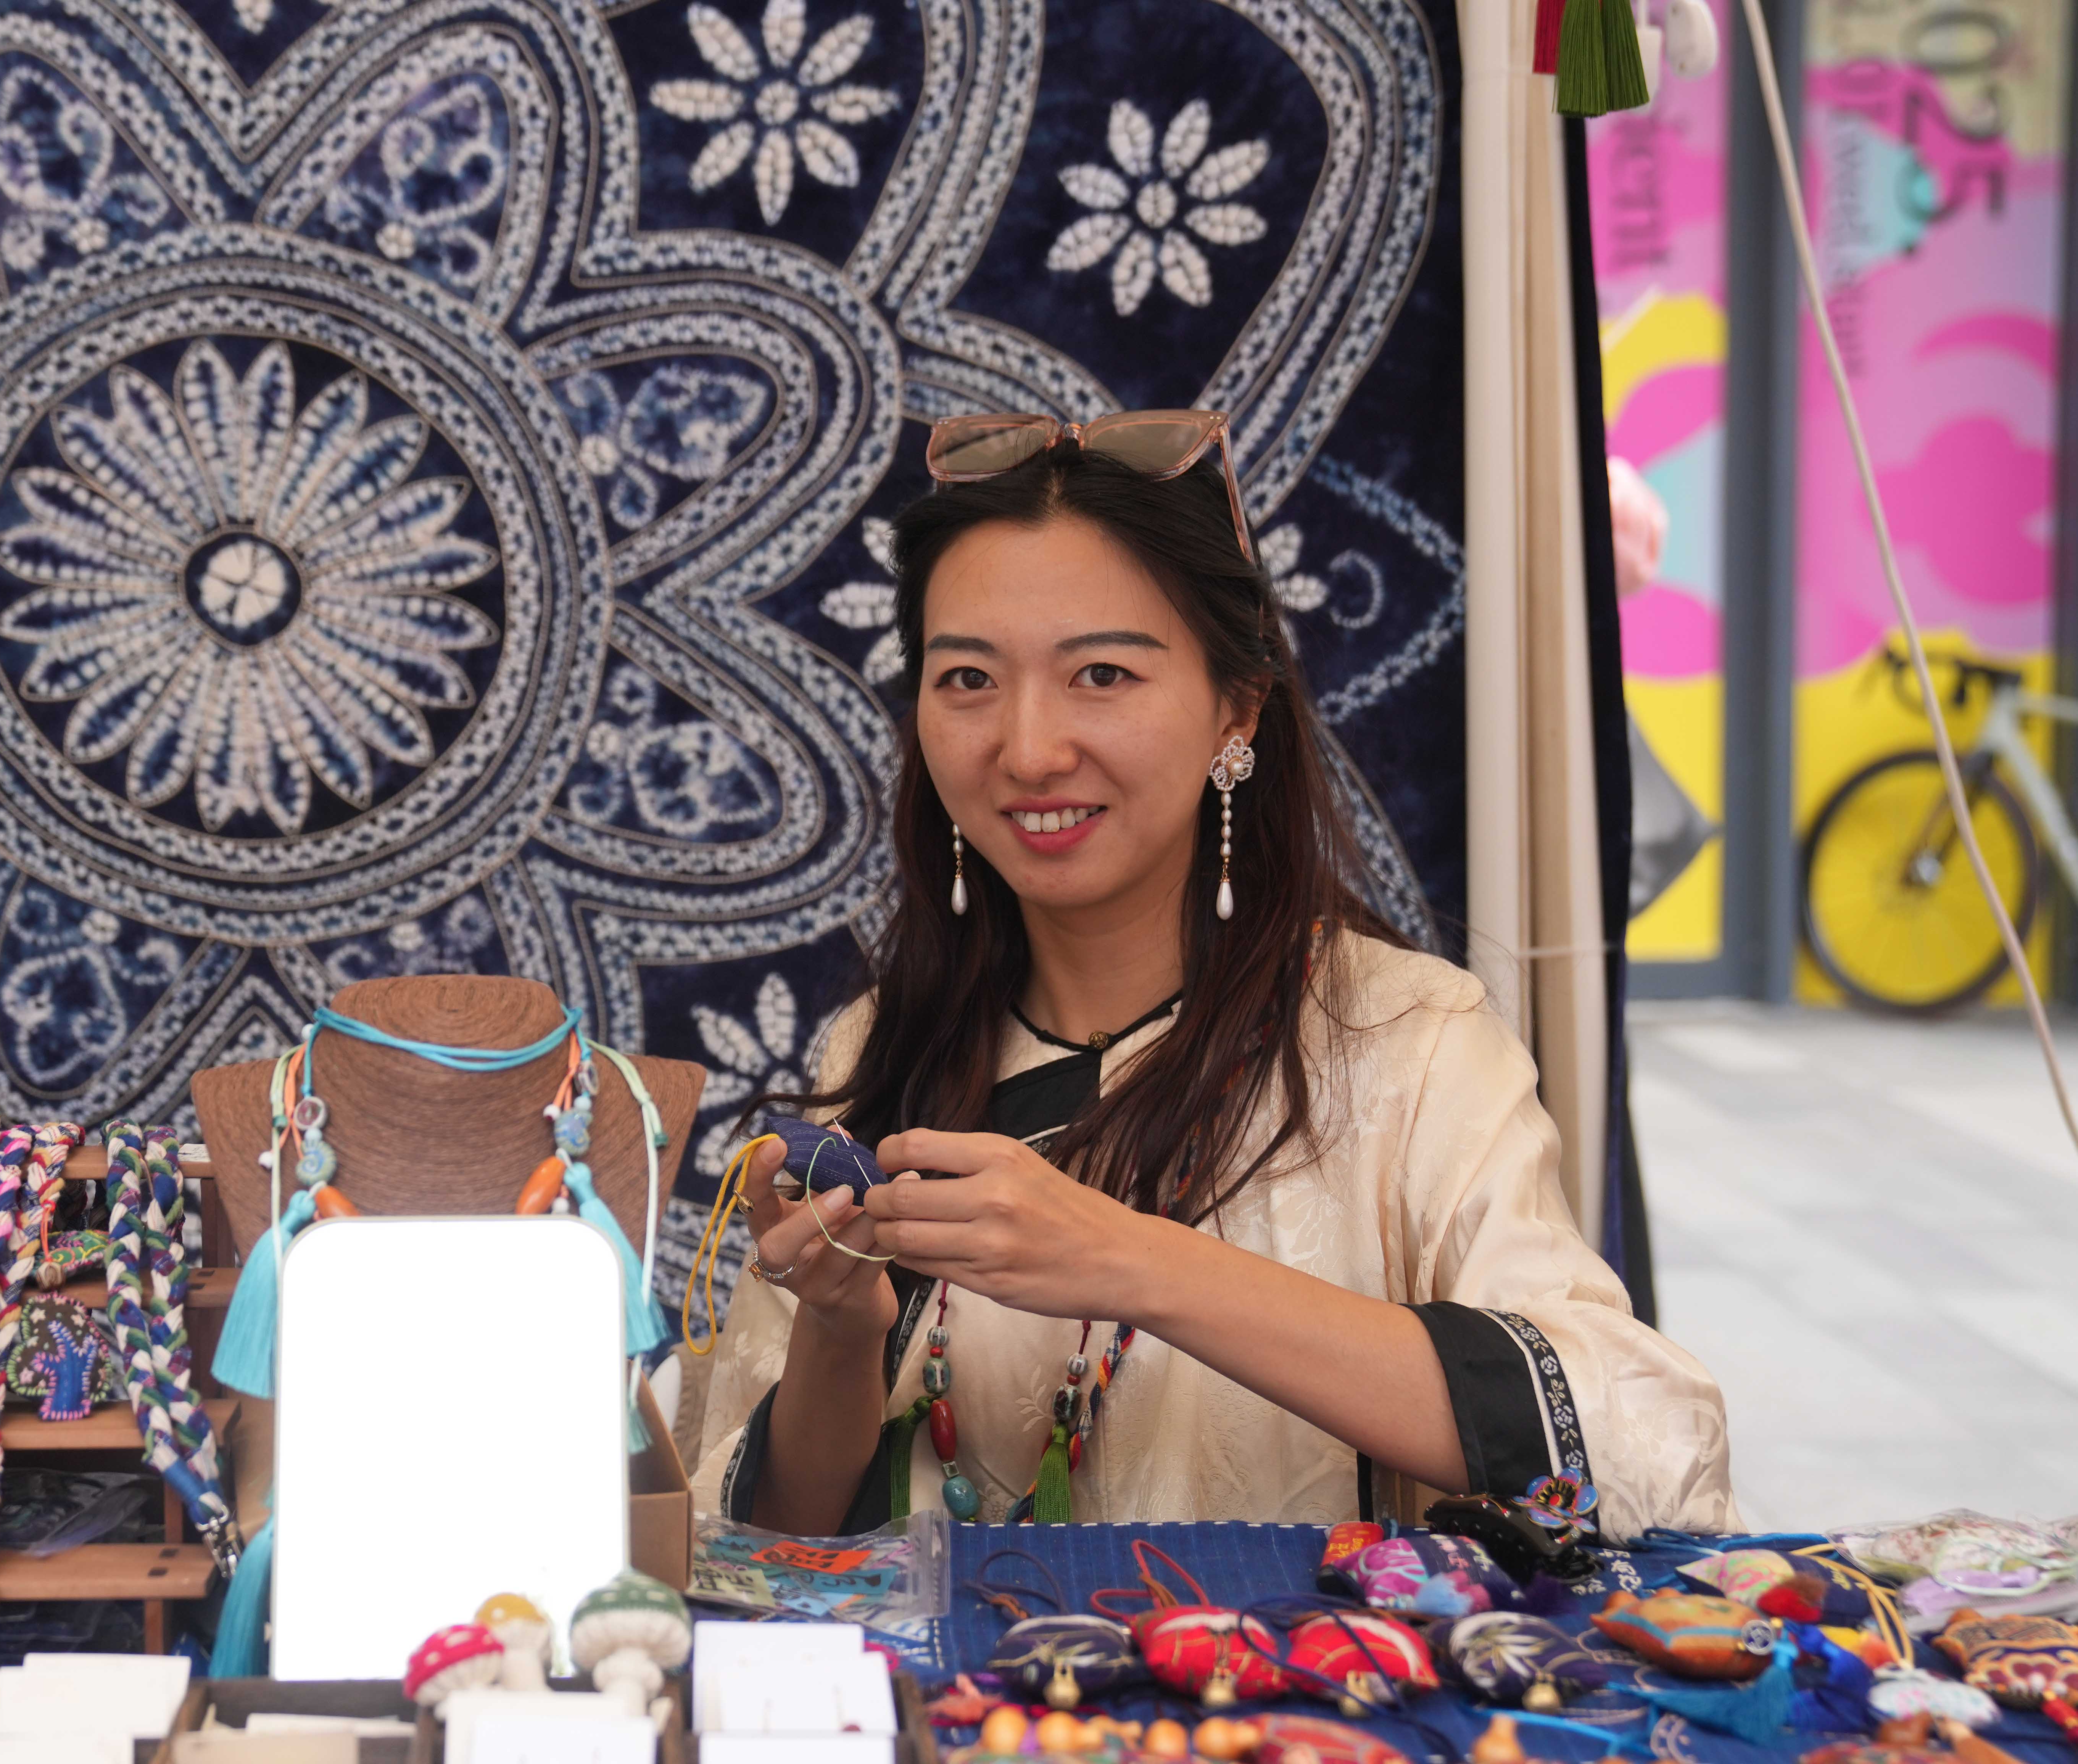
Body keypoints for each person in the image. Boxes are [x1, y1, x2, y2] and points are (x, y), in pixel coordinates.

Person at [688, 413, 1736, 1538]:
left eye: (1101, 673)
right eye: (968, 680)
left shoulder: (1407, 1045)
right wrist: (843, 1336)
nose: (1030, 748)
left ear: (1237, 709)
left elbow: (1650, 1453)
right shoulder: (879, 1047)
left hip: (1306, 1713)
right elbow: (760, 1550)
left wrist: (1132, 1260)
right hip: (953, 1716)